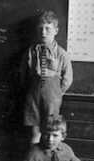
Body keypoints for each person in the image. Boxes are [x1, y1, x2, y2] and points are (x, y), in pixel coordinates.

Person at [19, 11, 73, 145]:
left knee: (50, 130)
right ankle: (34, 160)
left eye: (47, 29)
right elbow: (23, 74)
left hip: (52, 97)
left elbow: (67, 79)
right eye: (40, 29)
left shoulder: (61, 54)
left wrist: (56, 93)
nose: (43, 32)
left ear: (56, 30)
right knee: (34, 131)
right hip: (33, 95)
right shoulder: (31, 51)